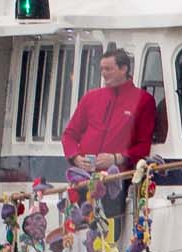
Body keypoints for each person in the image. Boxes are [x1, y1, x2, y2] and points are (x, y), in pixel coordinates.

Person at [62, 46, 158, 226]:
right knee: (82, 235)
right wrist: (75, 158)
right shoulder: (91, 98)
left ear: (124, 69)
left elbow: (143, 145)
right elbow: (69, 134)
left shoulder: (143, 101)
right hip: (84, 180)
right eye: (102, 69)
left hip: (116, 183)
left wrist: (116, 158)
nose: (104, 74)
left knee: (109, 236)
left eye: (108, 69)